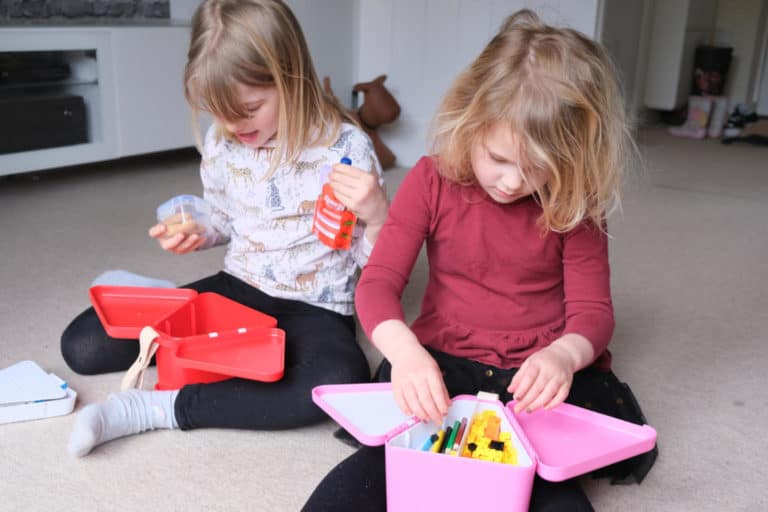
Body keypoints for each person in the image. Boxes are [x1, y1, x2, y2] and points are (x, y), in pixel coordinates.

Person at [303, 10, 655, 512]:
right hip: (443, 361)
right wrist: (404, 354)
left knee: (551, 487)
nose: (512, 182)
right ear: (470, 121)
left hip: (534, 375)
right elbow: (377, 284)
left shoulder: (576, 206)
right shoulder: (430, 179)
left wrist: (564, 356)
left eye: (537, 170)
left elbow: (593, 315)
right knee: (374, 473)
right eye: (498, 159)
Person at [63, 0, 388, 457]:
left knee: (335, 382)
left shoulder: (347, 148)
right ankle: (170, 302)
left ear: (290, 79)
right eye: (218, 112)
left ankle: (157, 410)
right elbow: (223, 217)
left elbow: (378, 270)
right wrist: (201, 229)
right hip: (236, 288)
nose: (234, 126)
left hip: (315, 309)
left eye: (249, 108)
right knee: (83, 345)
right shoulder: (224, 139)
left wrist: (377, 217)